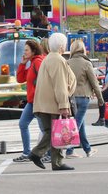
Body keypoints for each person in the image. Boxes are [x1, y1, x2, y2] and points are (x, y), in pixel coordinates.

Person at [28, 33, 76, 171]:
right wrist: (63, 105)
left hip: (43, 103)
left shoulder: (48, 58)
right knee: (56, 132)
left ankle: (56, 161)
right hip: (52, 103)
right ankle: (37, 154)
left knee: (52, 132)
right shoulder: (58, 60)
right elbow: (60, 84)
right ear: (62, 45)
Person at [67, 39, 103, 158]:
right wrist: (100, 99)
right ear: (83, 49)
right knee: (77, 124)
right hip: (83, 97)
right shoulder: (86, 63)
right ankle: (69, 150)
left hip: (71, 98)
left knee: (80, 124)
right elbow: (94, 83)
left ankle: (87, 149)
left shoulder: (67, 63)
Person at [13, 41, 45, 162]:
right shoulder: (31, 63)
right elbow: (20, 79)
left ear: (33, 51)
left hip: (38, 101)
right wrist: (22, 64)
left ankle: (45, 153)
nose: (24, 52)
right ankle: (27, 153)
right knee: (23, 124)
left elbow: (44, 79)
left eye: (26, 50)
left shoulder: (37, 62)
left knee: (44, 129)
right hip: (32, 102)